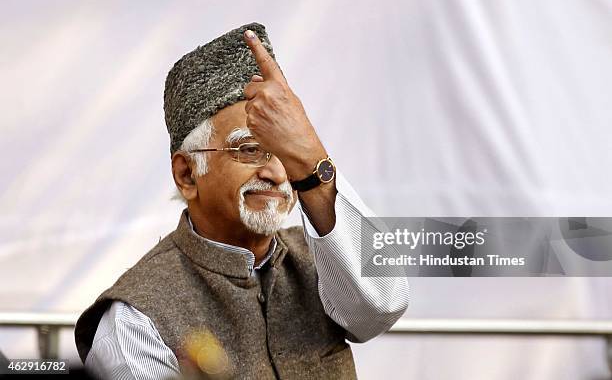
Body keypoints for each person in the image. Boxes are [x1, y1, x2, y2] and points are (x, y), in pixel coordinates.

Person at [74, 23, 409, 380]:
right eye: (250, 150)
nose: (278, 173)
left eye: (285, 152)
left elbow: (381, 307)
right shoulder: (134, 322)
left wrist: (311, 161)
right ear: (187, 174)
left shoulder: (318, 257)